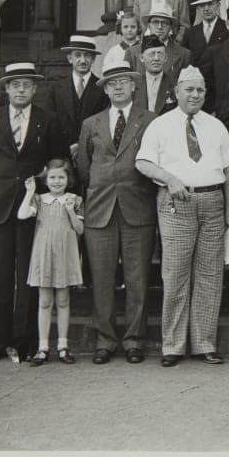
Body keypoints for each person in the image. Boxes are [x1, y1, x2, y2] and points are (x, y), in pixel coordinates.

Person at [135, 65, 229, 366]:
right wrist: (169, 178)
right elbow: (143, 162)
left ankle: (205, 342)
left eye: (200, 90)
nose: (195, 95)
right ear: (176, 91)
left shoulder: (216, 126)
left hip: (212, 203)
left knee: (209, 275)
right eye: (189, 89)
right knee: (176, 274)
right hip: (176, 203)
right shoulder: (160, 124)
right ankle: (173, 345)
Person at [0, 63, 67, 364]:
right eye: (15, 85)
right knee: (0, 273)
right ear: (6, 89)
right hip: (0, 204)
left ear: (35, 89)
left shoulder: (47, 120)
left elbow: (57, 159)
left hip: (32, 205)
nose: (21, 90)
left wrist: (38, 184)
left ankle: (24, 340)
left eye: (26, 85)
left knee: (29, 272)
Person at [76, 57, 159, 365]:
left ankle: (135, 339)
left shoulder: (149, 120)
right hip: (100, 209)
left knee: (137, 277)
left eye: (124, 81)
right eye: (112, 83)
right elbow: (84, 167)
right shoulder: (91, 123)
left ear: (134, 85)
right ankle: (105, 339)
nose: (118, 86)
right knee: (102, 277)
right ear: (106, 90)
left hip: (138, 206)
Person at [18, 158, 84, 366]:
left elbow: (80, 229)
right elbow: (21, 215)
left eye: (61, 177)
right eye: (53, 177)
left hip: (64, 254)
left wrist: (70, 210)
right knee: (45, 302)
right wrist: (29, 192)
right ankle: (43, 347)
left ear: (68, 179)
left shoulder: (75, 199)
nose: (57, 181)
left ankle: (63, 347)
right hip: (44, 254)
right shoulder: (39, 199)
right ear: (46, 180)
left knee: (63, 301)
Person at [38, 35, 110, 161]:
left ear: (93, 59)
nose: (83, 60)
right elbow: (49, 124)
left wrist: (82, 146)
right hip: (62, 156)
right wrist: (67, 148)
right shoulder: (56, 88)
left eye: (87, 55)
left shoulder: (103, 88)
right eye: (78, 55)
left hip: (94, 155)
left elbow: (105, 125)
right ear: (70, 58)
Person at [125, 9, 192, 76]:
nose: (160, 27)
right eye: (155, 22)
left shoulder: (184, 55)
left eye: (164, 23)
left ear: (170, 27)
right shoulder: (132, 52)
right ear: (148, 26)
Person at [181, 0, 229, 65]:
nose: (206, 9)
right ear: (198, 9)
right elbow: (185, 59)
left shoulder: (228, 28)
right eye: (202, 5)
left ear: (218, 5)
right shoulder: (190, 33)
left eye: (210, 4)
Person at [130, 35, 179, 116]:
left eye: (160, 54)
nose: (156, 58)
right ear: (141, 57)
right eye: (152, 54)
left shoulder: (175, 84)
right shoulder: (133, 85)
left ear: (166, 58)